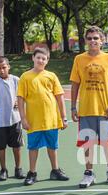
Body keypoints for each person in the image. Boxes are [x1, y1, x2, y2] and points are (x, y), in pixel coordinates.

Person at [70, 26, 108, 188]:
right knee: (88, 143)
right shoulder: (79, 59)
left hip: (105, 109)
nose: (93, 41)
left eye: (96, 38)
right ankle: (89, 173)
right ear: (85, 41)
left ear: (102, 41)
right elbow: (75, 84)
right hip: (86, 109)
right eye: (90, 38)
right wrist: (73, 107)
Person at [17, 46, 69, 186]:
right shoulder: (25, 77)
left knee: (53, 146)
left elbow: (59, 97)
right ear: (33, 58)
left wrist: (63, 117)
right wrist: (23, 118)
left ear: (47, 61)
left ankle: (55, 170)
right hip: (34, 120)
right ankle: (32, 172)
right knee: (33, 147)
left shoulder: (51, 76)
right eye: (38, 57)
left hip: (51, 119)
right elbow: (20, 99)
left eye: (43, 58)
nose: (40, 60)